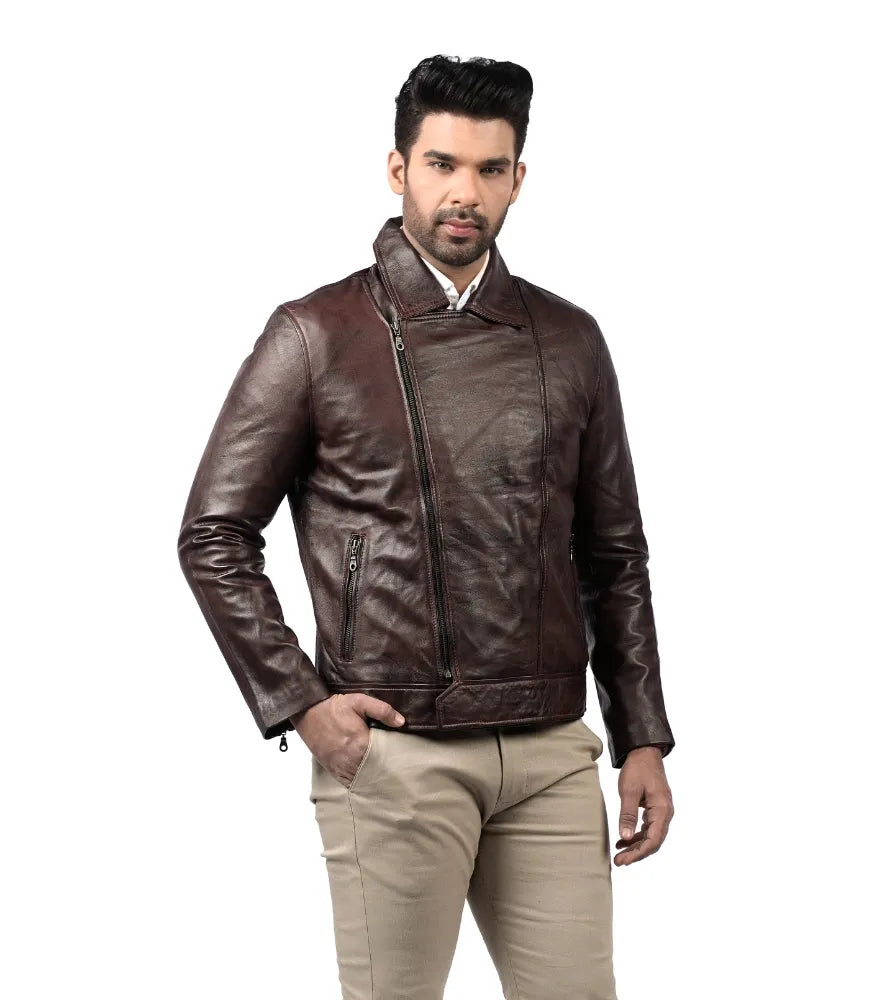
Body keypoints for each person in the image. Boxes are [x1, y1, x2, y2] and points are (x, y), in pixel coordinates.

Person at [177, 53, 676, 1000]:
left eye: (490, 170)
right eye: (443, 164)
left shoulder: (571, 338)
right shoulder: (316, 333)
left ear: (519, 180)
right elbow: (213, 533)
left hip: (550, 750)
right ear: (398, 168)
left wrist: (641, 733)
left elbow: (613, 555)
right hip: (397, 749)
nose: (465, 193)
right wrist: (304, 705)